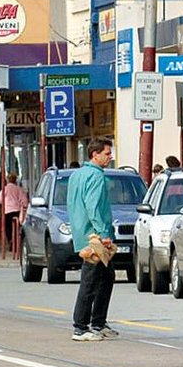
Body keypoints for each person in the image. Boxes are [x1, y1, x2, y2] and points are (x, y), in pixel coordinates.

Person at [66, 138, 118, 341]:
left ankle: (98, 322)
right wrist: (102, 234)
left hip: (82, 232)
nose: (110, 157)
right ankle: (80, 326)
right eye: (106, 153)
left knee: (107, 276)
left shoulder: (76, 175)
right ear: (94, 154)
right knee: (90, 280)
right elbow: (94, 207)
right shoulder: (96, 177)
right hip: (94, 236)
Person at [0, 172, 29, 255]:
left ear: (7, 180)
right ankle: (16, 242)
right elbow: (24, 201)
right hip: (16, 211)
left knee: (7, 228)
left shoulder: (5, 189)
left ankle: (10, 241)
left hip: (7, 211)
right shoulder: (18, 189)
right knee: (17, 228)